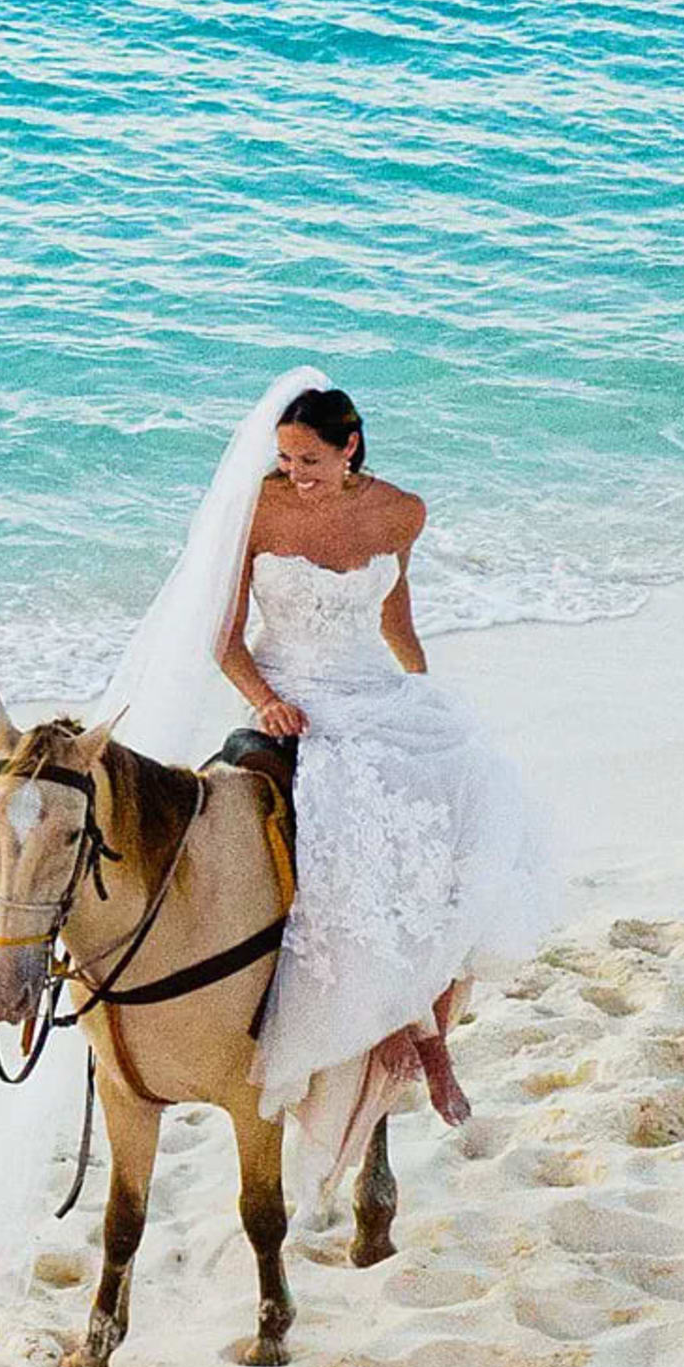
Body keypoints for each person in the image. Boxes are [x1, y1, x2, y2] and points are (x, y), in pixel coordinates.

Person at [121, 374, 558, 1203]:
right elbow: (222, 637)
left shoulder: (402, 511)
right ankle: (407, 1033)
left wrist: (422, 687)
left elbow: (394, 619)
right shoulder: (257, 508)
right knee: (351, 819)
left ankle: (423, 1015)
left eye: (311, 459)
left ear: (350, 446)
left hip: (370, 688)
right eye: (285, 459)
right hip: (292, 695)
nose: (296, 474)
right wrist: (265, 702)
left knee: (463, 804)